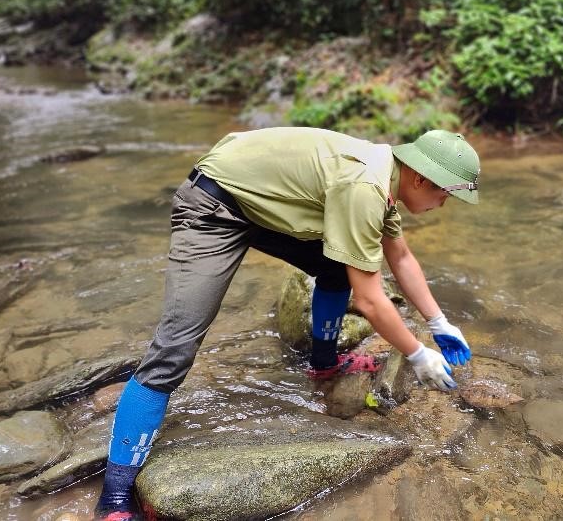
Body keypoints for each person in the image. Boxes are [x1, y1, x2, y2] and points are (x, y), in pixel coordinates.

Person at [94, 127, 480, 521]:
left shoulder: (386, 180)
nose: (444, 204)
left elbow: (401, 258)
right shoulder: (365, 186)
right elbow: (369, 299)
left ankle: (324, 364)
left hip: (262, 201)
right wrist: (416, 354)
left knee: (335, 268)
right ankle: (116, 494)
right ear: (420, 177)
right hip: (214, 204)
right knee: (175, 348)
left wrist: (439, 322)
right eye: (445, 193)